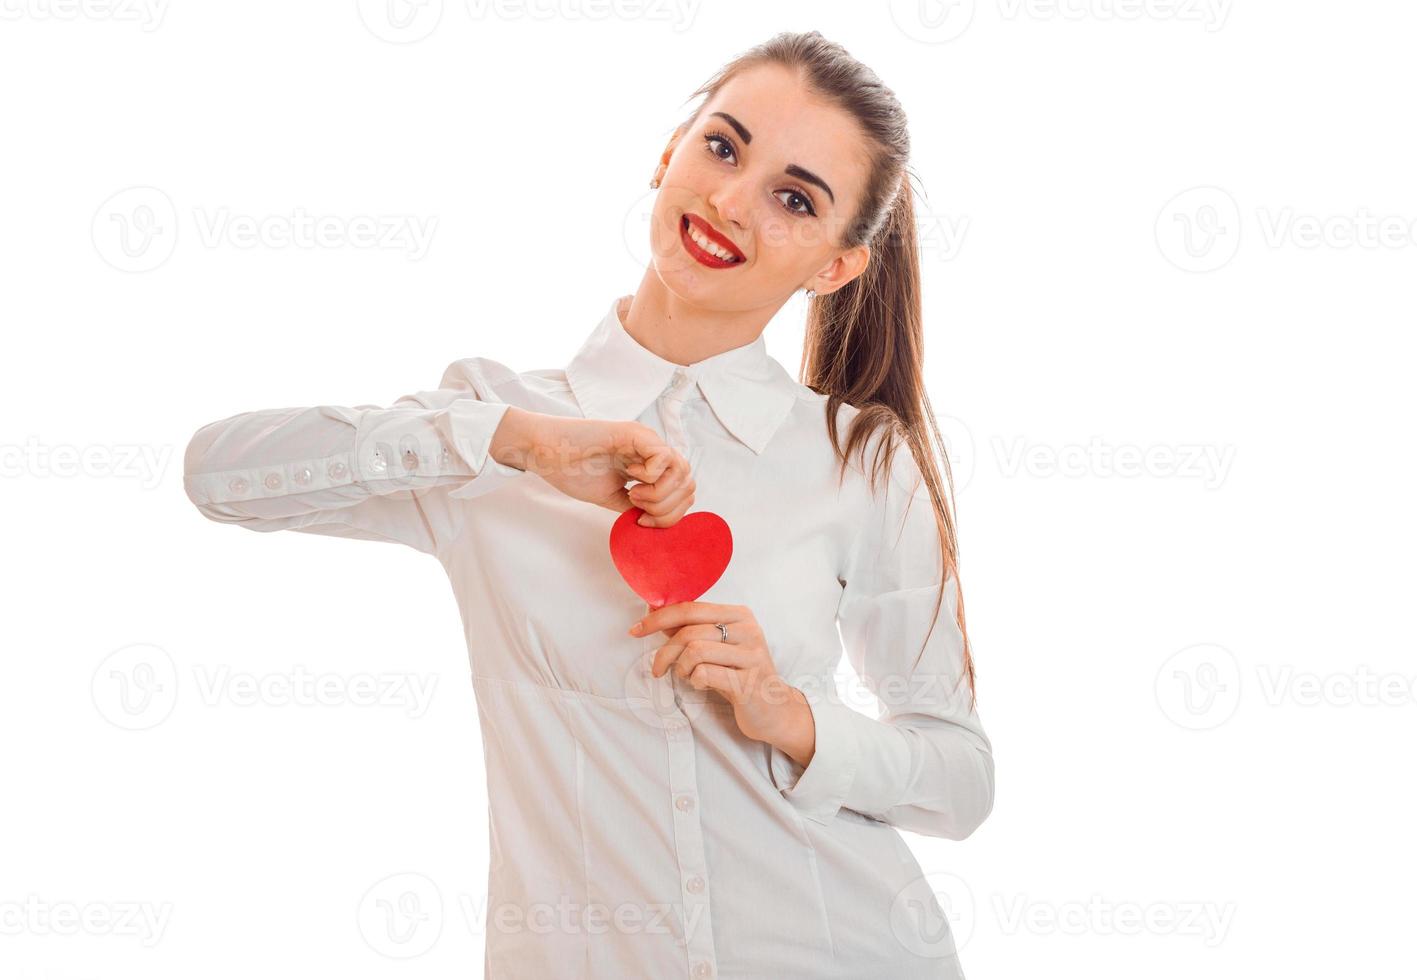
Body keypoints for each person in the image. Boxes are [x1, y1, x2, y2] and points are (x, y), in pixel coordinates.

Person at [183, 30, 994, 979]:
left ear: (832, 268)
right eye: (722, 147)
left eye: (793, 198)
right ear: (669, 152)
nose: (731, 202)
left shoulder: (855, 457)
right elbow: (219, 475)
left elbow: (960, 782)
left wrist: (792, 717)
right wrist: (515, 441)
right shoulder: (489, 427)